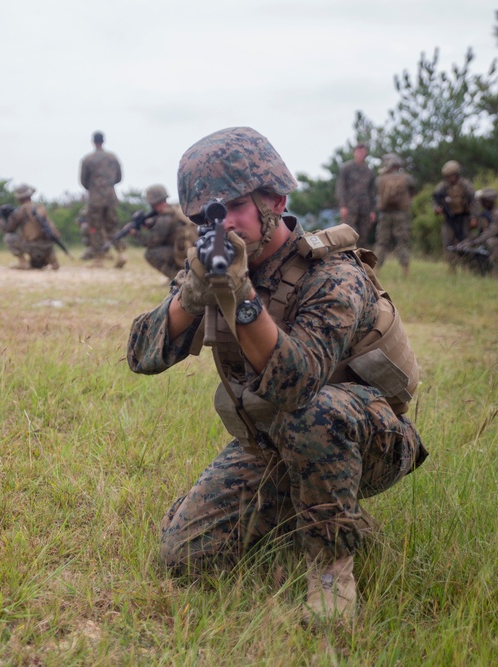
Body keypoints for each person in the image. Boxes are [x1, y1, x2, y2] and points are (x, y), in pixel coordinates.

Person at [127, 127, 427, 624]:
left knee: (315, 412)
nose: (219, 226)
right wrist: (194, 295)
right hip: (274, 442)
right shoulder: (214, 264)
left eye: (232, 208)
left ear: (276, 199)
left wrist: (240, 296)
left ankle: (332, 571)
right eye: (202, 218)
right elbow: (141, 354)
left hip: (365, 439)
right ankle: (317, 510)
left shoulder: (333, 276)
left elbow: (297, 384)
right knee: (185, 556)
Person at [135, 184, 198, 280]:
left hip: (184, 253)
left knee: (150, 254)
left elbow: (151, 242)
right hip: (191, 251)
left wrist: (136, 234)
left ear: (153, 202)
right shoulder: (175, 210)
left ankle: (178, 278)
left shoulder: (164, 218)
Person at [79, 131, 124, 268]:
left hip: (95, 198)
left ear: (93, 142)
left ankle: (99, 259)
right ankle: (121, 253)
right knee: (113, 226)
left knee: (95, 228)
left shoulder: (88, 159)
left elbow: (83, 181)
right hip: (110, 196)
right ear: (103, 141)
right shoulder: (112, 157)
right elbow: (119, 178)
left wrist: (94, 188)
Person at [373, 153, 417, 278]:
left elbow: (377, 192)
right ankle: (405, 270)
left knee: (381, 242)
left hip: (385, 214)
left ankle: (376, 270)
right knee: (402, 242)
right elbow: (412, 192)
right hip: (401, 215)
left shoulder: (380, 179)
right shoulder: (407, 178)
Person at [0, 184, 60, 270]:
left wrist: (0, 222)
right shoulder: (41, 208)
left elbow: (9, 229)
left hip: (33, 247)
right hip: (48, 247)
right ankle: (53, 262)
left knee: (9, 237)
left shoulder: (20, 211)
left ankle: (23, 262)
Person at [432, 160, 476, 272]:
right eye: (448, 176)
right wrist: (437, 209)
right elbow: (435, 200)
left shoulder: (465, 185)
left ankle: (468, 266)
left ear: (457, 174)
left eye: (452, 176)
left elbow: (474, 202)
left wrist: (474, 217)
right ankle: (452, 267)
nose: (450, 178)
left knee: (466, 241)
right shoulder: (442, 187)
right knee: (448, 242)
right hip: (448, 219)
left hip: (464, 217)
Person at [335, 142, 377, 247]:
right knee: (346, 233)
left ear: (366, 153)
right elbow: (341, 187)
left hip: (365, 208)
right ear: (354, 153)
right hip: (350, 206)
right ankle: (344, 259)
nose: (360, 154)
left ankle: (359, 260)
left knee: (363, 235)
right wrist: (343, 206)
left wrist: (372, 210)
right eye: (358, 151)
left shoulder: (369, 171)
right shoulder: (346, 168)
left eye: (363, 151)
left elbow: (372, 192)